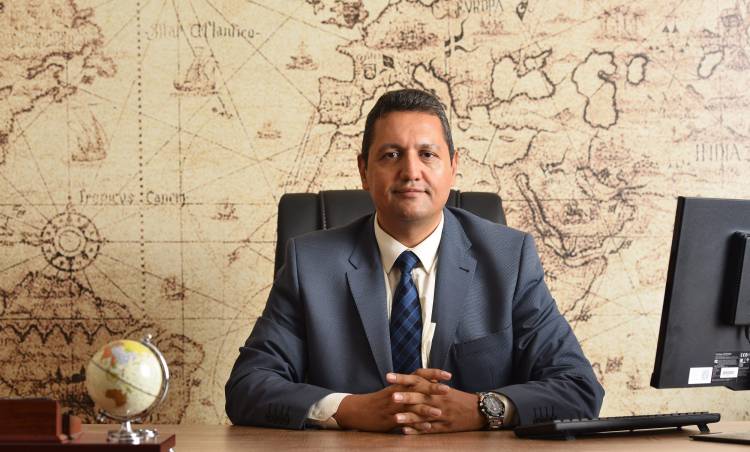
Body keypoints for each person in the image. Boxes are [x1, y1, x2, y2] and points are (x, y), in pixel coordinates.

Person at [225, 89, 604, 434]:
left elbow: (578, 387)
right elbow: (248, 386)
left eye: (427, 154)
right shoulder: (310, 263)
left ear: (453, 166)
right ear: (363, 170)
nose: (410, 172)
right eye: (391, 155)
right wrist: (350, 409)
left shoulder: (509, 260)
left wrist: (482, 408)